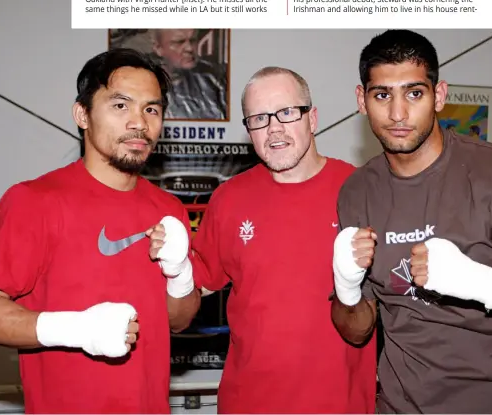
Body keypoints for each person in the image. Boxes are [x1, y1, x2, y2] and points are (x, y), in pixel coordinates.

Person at [330, 29, 492, 414]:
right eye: (382, 95)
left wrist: (487, 285)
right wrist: (346, 287)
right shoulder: (356, 191)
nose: (398, 114)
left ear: (440, 96)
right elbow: (357, 331)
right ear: (361, 101)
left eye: (414, 93)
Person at [149, 66, 377, 414]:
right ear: (248, 130)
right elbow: (195, 292)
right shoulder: (229, 199)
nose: (274, 129)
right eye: (258, 119)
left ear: (312, 118)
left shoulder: (360, 191)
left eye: (286, 113)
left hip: (339, 404)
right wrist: (171, 263)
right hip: (249, 403)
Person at [0, 48, 201, 414]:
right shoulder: (34, 201)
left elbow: (179, 320)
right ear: (82, 114)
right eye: (121, 106)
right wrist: (76, 329)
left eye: (151, 109)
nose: (139, 122)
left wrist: (180, 273)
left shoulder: (168, 210)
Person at [151, 29, 227, 120]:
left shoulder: (213, 80)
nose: (190, 48)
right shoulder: (143, 85)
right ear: (158, 48)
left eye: (193, 40)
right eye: (179, 42)